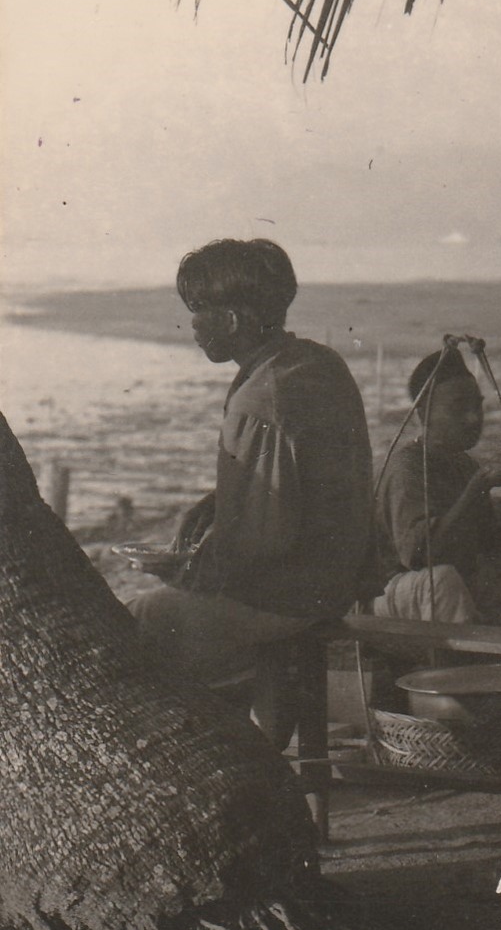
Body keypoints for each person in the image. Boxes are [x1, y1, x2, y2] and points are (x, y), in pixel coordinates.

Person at [127, 238, 373, 744]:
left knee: (144, 617)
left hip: (292, 595)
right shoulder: (314, 364)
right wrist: (219, 503)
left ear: (232, 322)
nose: (192, 327)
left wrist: (188, 567)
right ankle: (244, 711)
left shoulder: (262, 398)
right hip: (339, 577)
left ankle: (222, 741)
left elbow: (264, 542)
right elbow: (308, 486)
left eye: (199, 313)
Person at [371, 348, 501, 623]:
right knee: (443, 580)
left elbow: (491, 536)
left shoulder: (463, 463)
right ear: (423, 414)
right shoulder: (406, 468)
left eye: (477, 405)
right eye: (458, 408)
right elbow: (421, 557)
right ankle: (460, 664)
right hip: (396, 595)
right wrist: (479, 485)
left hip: (449, 589)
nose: (473, 418)